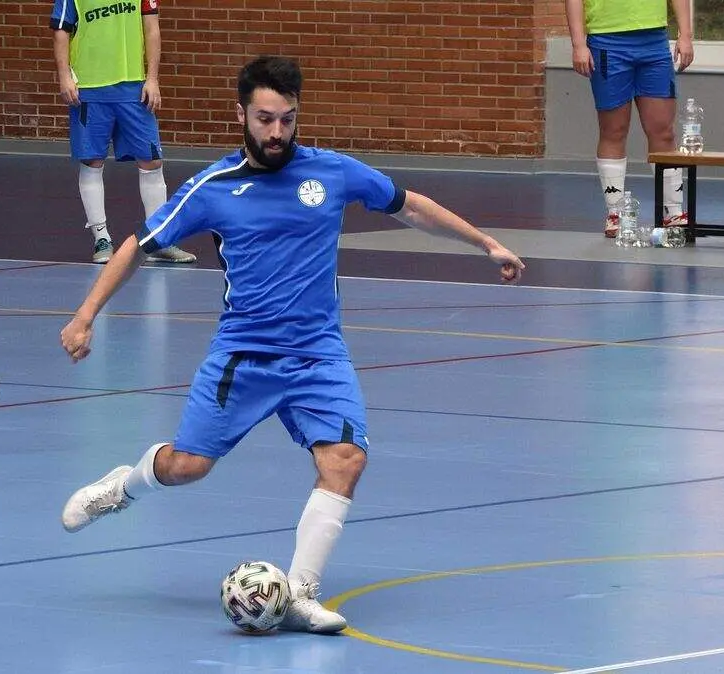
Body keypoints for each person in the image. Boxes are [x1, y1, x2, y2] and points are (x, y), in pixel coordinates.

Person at [57, 56, 526, 634]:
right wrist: (85, 316)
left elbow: (412, 206)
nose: (276, 132)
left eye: (286, 118)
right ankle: (123, 486)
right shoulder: (214, 186)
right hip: (243, 357)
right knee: (188, 466)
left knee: (345, 459)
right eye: (264, 119)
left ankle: (301, 592)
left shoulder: (332, 173)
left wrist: (486, 244)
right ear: (242, 115)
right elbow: (137, 243)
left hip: (318, 355)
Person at [51, 0, 196, 264]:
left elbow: (152, 29)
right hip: (89, 89)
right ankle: (101, 238)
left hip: (133, 87)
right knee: (92, 161)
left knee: (151, 161)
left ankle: (157, 241)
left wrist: (152, 79)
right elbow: (61, 31)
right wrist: (64, 76)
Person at [565, 0, 693, 237]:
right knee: (614, 130)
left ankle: (673, 211)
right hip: (606, 41)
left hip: (654, 41)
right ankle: (615, 213)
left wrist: (685, 35)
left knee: (663, 130)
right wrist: (578, 44)